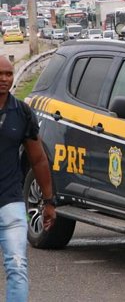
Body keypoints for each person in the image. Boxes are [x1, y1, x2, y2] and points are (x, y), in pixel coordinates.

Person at [0, 56, 56, 302]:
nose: (4, 79)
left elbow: (39, 159)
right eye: (0, 74)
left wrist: (49, 201)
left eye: (8, 74)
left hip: (11, 200)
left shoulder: (21, 113)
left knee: (18, 266)